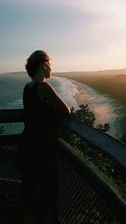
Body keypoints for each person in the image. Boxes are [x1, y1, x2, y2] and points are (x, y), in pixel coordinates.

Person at [19, 50, 71, 224]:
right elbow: (66, 110)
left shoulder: (28, 87)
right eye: (50, 63)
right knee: (47, 191)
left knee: (30, 188)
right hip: (42, 147)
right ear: (43, 65)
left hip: (27, 143)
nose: (51, 67)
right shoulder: (44, 87)